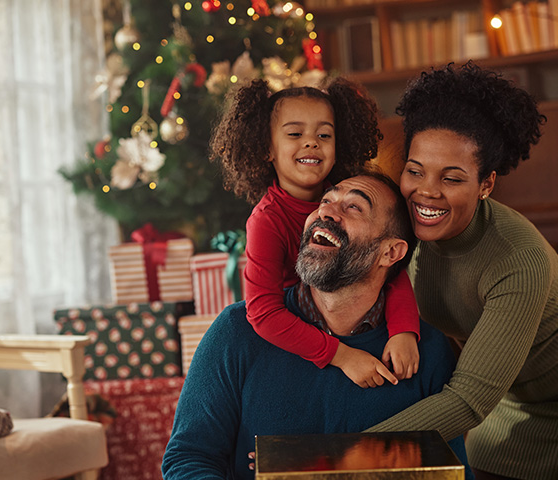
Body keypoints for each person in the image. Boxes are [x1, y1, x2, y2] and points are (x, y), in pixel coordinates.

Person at [162, 172, 473, 480]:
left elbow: (452, 472)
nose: (326, 211)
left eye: (354, 208)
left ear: (390, 252)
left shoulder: (427, 352)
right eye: (326, 200)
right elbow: (188, 458)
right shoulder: (235, 332)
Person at [364, 62, 558, 480]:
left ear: (485, 184)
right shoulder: (405, 230)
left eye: (451, 178)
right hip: (501, 406)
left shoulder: (517, 259)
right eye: (415, 171)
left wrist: (345, 453)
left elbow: (470, 398)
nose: (426, 192)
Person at [209, 77, 420, 387]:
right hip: (300, 333)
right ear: (267, 147)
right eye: (295, 133)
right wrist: (342, 356)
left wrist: (404, 330)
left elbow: (389, 264)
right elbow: (263, 312)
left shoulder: (352, 194)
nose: (311, 142)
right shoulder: (266, 220)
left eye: (324, 134)